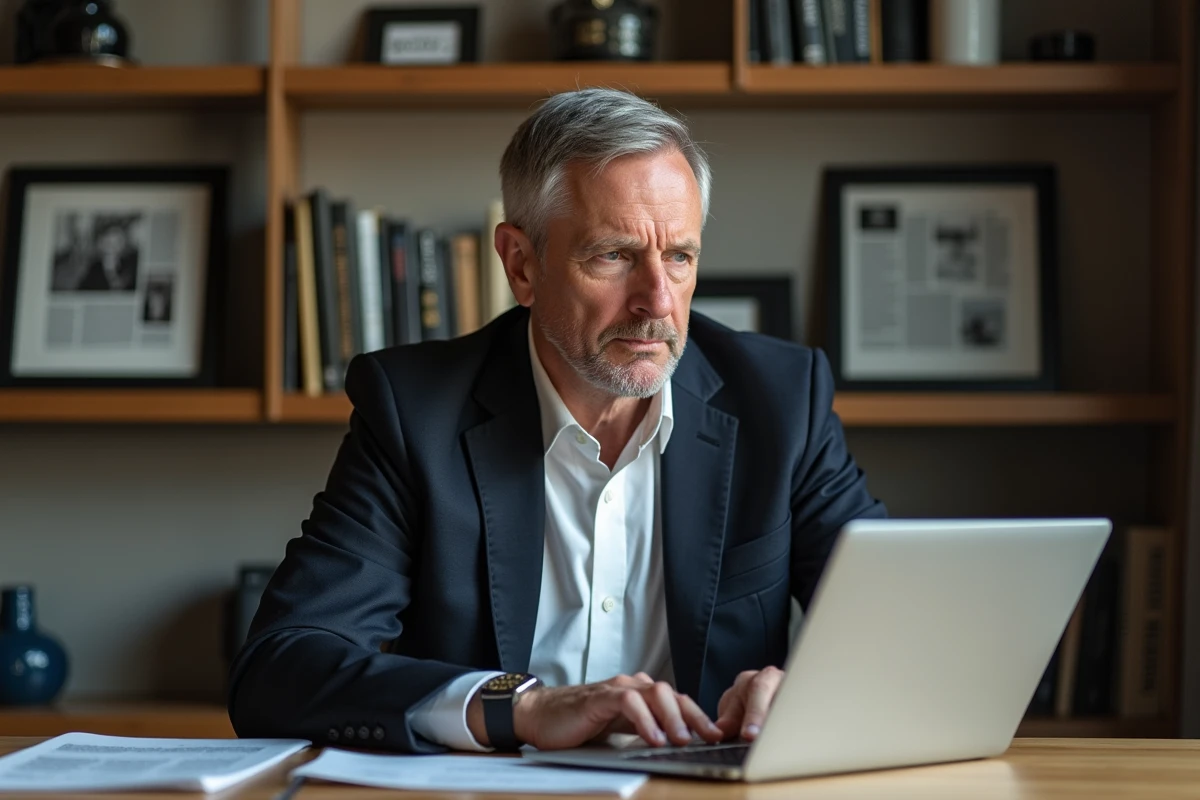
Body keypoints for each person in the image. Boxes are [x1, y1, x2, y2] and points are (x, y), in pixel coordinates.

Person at [229, 88, 885, 754]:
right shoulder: (415, 413)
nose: (657, 300)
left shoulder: (778, 400)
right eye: (614, 256)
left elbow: (912, 622)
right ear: (521, 264)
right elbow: (281, 667)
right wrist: (521, 707)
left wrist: (803, 690)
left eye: (680, 257)